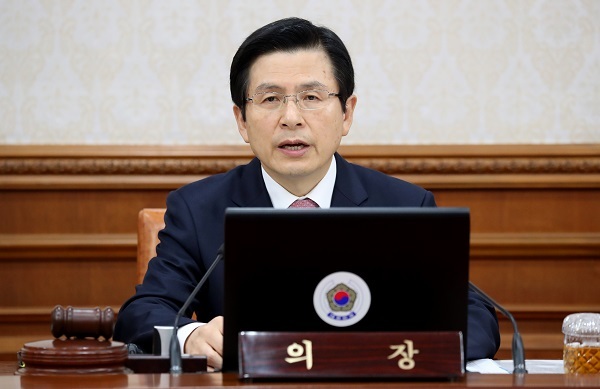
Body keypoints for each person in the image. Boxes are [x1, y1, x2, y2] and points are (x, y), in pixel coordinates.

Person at [114, 16, 500, 371]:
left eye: (311, 97)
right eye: (270, 99)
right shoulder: (198, 209)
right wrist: (191, 336)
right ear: (242, 121)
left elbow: (478, 318)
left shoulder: (405, 205)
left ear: (346, 113)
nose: (291, 117)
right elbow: (143, 313)